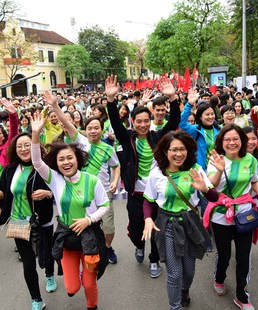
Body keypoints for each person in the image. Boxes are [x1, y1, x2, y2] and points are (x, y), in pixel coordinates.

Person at [31, 112, 110, 310]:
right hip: (66, 237)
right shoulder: (55, 180)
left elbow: (105, 205)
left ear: (78, 159)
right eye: (61, 160)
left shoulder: (92, 180)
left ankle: (92, 306)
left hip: (90, 235)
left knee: (89, 284)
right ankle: (79, 276)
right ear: (56, 164)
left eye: (70, 158)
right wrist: (34, 135)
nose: (66, 162)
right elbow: (37, 163)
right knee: (72, 287)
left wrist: (89, 220)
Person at [106, 75, 181, 278]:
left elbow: (174, 121)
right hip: (135, 194)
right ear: (133, 122)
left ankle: (155, 259)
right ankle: (139, 246)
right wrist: (111, 100)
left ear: (150, 122)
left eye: (146, 121)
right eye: (138, 121)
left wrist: (173, 98)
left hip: (156, 195)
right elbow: (114, 120)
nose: (143, 125)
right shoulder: (127, 137)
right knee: (138, 228)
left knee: (157, 229)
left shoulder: (157, 137)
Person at [142, 131, 218, 310]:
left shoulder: (196, 170)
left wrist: (205, 189)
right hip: (166, 224)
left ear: (188, 150)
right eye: (173, 150)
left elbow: (214, 197)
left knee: (189, 271)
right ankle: (175, 306)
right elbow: (148, 200)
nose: (178, 154)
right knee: (175, 273)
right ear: (165, 152)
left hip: (190, 223)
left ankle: (185, 290)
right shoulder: (156, 174)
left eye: (182, 149)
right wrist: (147, 218)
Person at [45, 91, 121, 264]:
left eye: (96, 128)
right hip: (80, 189)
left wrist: (115, 180)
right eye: (90, 128)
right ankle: (90, 250)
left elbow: (116, 167)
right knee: (86, 224)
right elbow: (65, 121)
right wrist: (55, 106)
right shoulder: (80, 141)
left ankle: (107, 247)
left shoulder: (109, 149)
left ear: (102, 130)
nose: (93, 131)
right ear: (85, 130)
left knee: (108, 227)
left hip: (102, 190)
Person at [0, 132, 55, 310]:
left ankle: (50, 274)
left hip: (41, 220)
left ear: (36, 147)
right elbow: (5, 193)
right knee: (28, 261)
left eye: (27, 145)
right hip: (18, 221)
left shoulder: (44, 168)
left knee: (47, 253)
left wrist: (47, 193)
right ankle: (36, 299)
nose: (23, 149)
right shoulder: (10, 169)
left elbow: (59, 190)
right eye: (19, 146)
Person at [204, 124, 258, 310]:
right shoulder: (216, 159)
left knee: (243, 256)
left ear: (242, 141)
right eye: (227, 139)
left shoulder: (251, 160)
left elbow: (254, 181)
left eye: (236, 139)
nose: (232, 143)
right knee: (223, 255)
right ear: (221, 142)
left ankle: (242, 295)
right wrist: (220, 169)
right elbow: (211, 186)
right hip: (221, 215)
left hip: (244, 213)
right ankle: (219, 277)